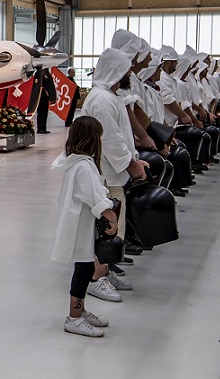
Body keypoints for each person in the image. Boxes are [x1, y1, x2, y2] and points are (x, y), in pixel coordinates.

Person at [80, 48, 148, 301]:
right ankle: (95, 279)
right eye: (127, 70)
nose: (130, 74)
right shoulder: (102, 100)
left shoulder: (109, 96)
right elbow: (110, 140)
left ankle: (105, 271)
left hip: (114, 174)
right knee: (108, 229)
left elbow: (120, 135)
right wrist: (131, 164)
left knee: (114, 228)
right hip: (106, 175)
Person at [52, 116, 119, 337]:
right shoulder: (83, 166)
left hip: (81, 223)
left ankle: (79, 311)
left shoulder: (76, 162)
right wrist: (111, 217)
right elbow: (94, 196)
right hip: (81, 225)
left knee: (85, 267)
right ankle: (74, 317)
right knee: (83, 269)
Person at [36, 67, 57, 134]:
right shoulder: (42, 73)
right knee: (41, 112)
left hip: (45, 97)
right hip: (41, 96)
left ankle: (43, 127)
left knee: (44, 113)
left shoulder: (46, 72)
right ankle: (40, 128)